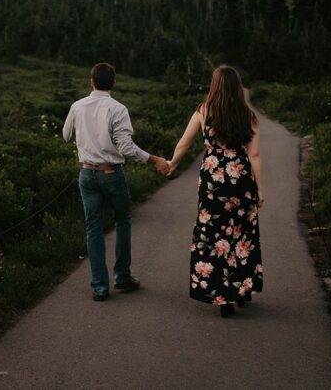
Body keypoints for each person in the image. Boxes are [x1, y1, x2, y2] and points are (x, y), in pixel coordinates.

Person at [62, 62, 171, 302]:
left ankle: (99, 287)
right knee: (122, 220)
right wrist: (154, 160)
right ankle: (122, 277)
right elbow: (125, 146)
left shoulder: (77, 106)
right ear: (113, 83)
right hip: (111, 174)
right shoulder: (118, 108)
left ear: (91, 81)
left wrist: (86, 140)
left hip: (86, 174)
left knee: (93, 227)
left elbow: (66, 134)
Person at [167, 65, 264, 318]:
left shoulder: (203, 110)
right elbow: (254, 155)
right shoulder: (247, 114)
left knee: (214, 237)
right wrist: (260, 188)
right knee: (241, 236)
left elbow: (184, 143)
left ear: (215, 86)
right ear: (236, 86)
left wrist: (171, 165)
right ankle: (242, 290)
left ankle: (223, 298)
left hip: (213, 182)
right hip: (241, 178)